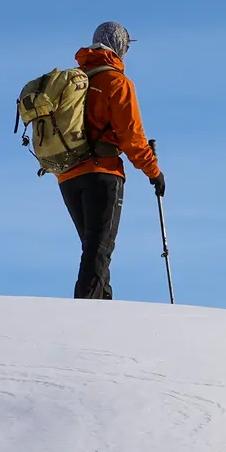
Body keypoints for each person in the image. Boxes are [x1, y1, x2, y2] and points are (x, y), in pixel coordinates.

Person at [58, 21, 165, 300]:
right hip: (102, 172)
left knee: (94, 246)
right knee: (99, 247)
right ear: (119, 47)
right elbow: (132, 137)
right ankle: (86, 311)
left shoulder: (74, 79)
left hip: (68, 174)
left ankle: (104, 306)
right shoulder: (117, 82)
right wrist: (153, 171)